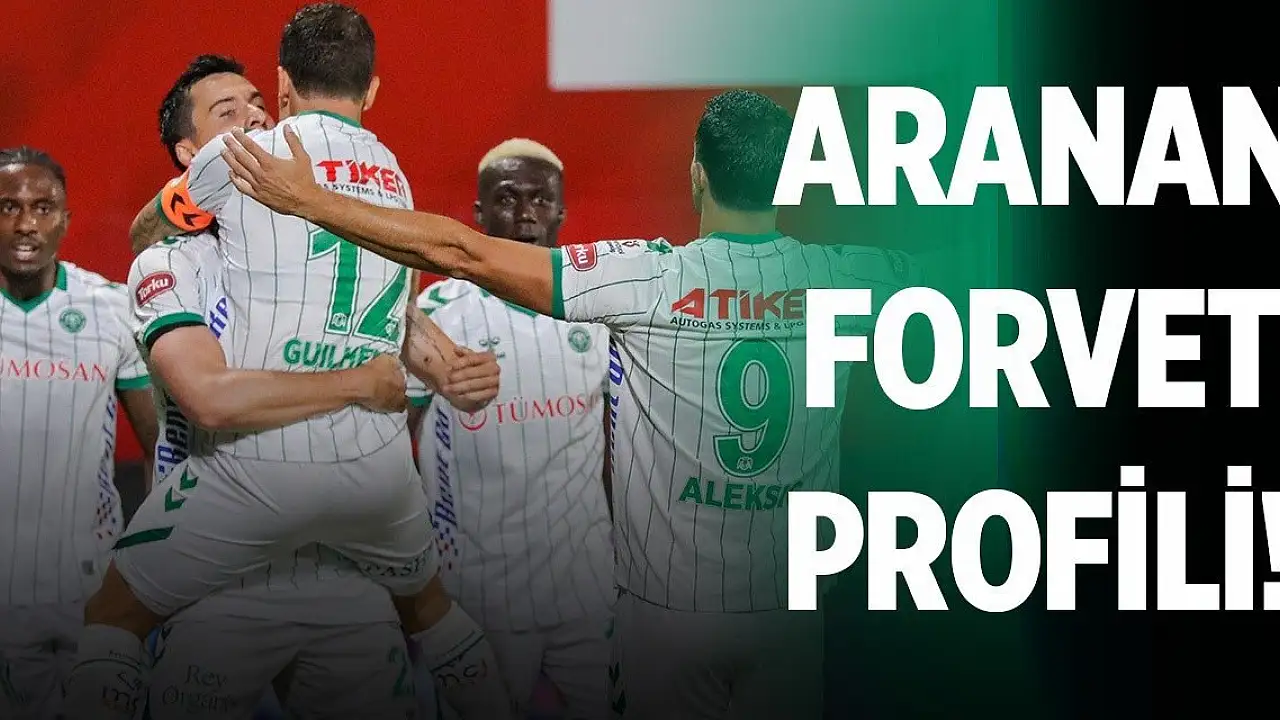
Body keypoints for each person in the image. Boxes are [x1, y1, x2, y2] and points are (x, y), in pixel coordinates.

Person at [219, 88, 923, 719]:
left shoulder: (647, 276)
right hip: (791, 614)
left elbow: (461, 251)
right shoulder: (854, 277)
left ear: (697, 173)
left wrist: (309, 201)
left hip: (664, 616)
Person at [62, 6, 514, 720]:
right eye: (226, 113)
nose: (250, 119)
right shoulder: (382, 179)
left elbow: (380, 307)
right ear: (189, 153)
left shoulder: (270, 188)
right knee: (430, 607)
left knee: (115, 614)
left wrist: (444, 364)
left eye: (254, 104)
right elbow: (211, 383)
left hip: (306, 540)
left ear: (280, 92)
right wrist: (367, 380)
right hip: (248, 572)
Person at [407, 139, 615, 719]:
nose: (525, 215)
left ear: (562, 212)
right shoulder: (440, 311)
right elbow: (396, 433)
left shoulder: (599, 313)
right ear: (478, 213)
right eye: (506, 199)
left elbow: (620, 449)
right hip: (476, 595)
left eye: (540, 200)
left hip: (586, 589)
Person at [0, 146, 160, 719]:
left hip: (91, 594)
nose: (26, 224)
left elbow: (160, 446)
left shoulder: (112, 309)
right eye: (8, 207)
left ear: (66, 220)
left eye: (43, 208)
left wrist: (151, 565)